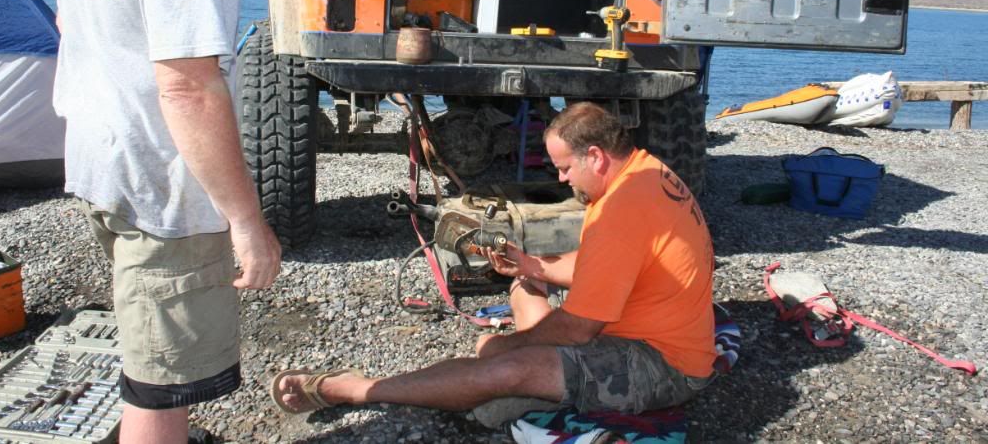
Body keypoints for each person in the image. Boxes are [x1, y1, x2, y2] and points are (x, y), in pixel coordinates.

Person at [50, 0, 303, 441]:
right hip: (163, 182)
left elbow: (70, 22)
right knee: (160, 386)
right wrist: (245, 219)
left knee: (148, 349)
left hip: (102, 156)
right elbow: (188, 82)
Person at [271, 102, 716, 424]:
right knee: (523, 288)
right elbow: (607, 264)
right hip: (638, 327)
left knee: (503, 367)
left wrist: (508, 349)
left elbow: (580, 328)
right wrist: (533, 267)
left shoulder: (622, 209)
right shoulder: (641, 174)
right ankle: (499, 381)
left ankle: (353, 388)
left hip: (663, 364)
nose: (561, 178)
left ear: (596, 155)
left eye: (565, 168)